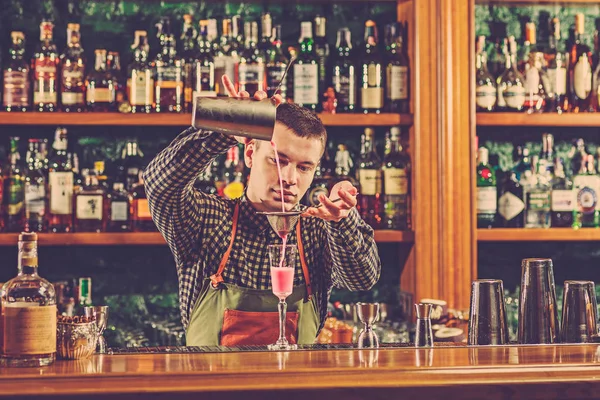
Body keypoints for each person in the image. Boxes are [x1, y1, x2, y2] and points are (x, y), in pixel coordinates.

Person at [144, 76, 381, 346]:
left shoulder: (317, 227)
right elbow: (159, 183)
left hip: (296, 384)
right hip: (212, 384)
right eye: (278, 161)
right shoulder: (207, 218)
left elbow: (362, 278)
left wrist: (343, 222)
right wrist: (225, 128)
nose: (290, 178)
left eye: (304, 167)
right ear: (249, 154)